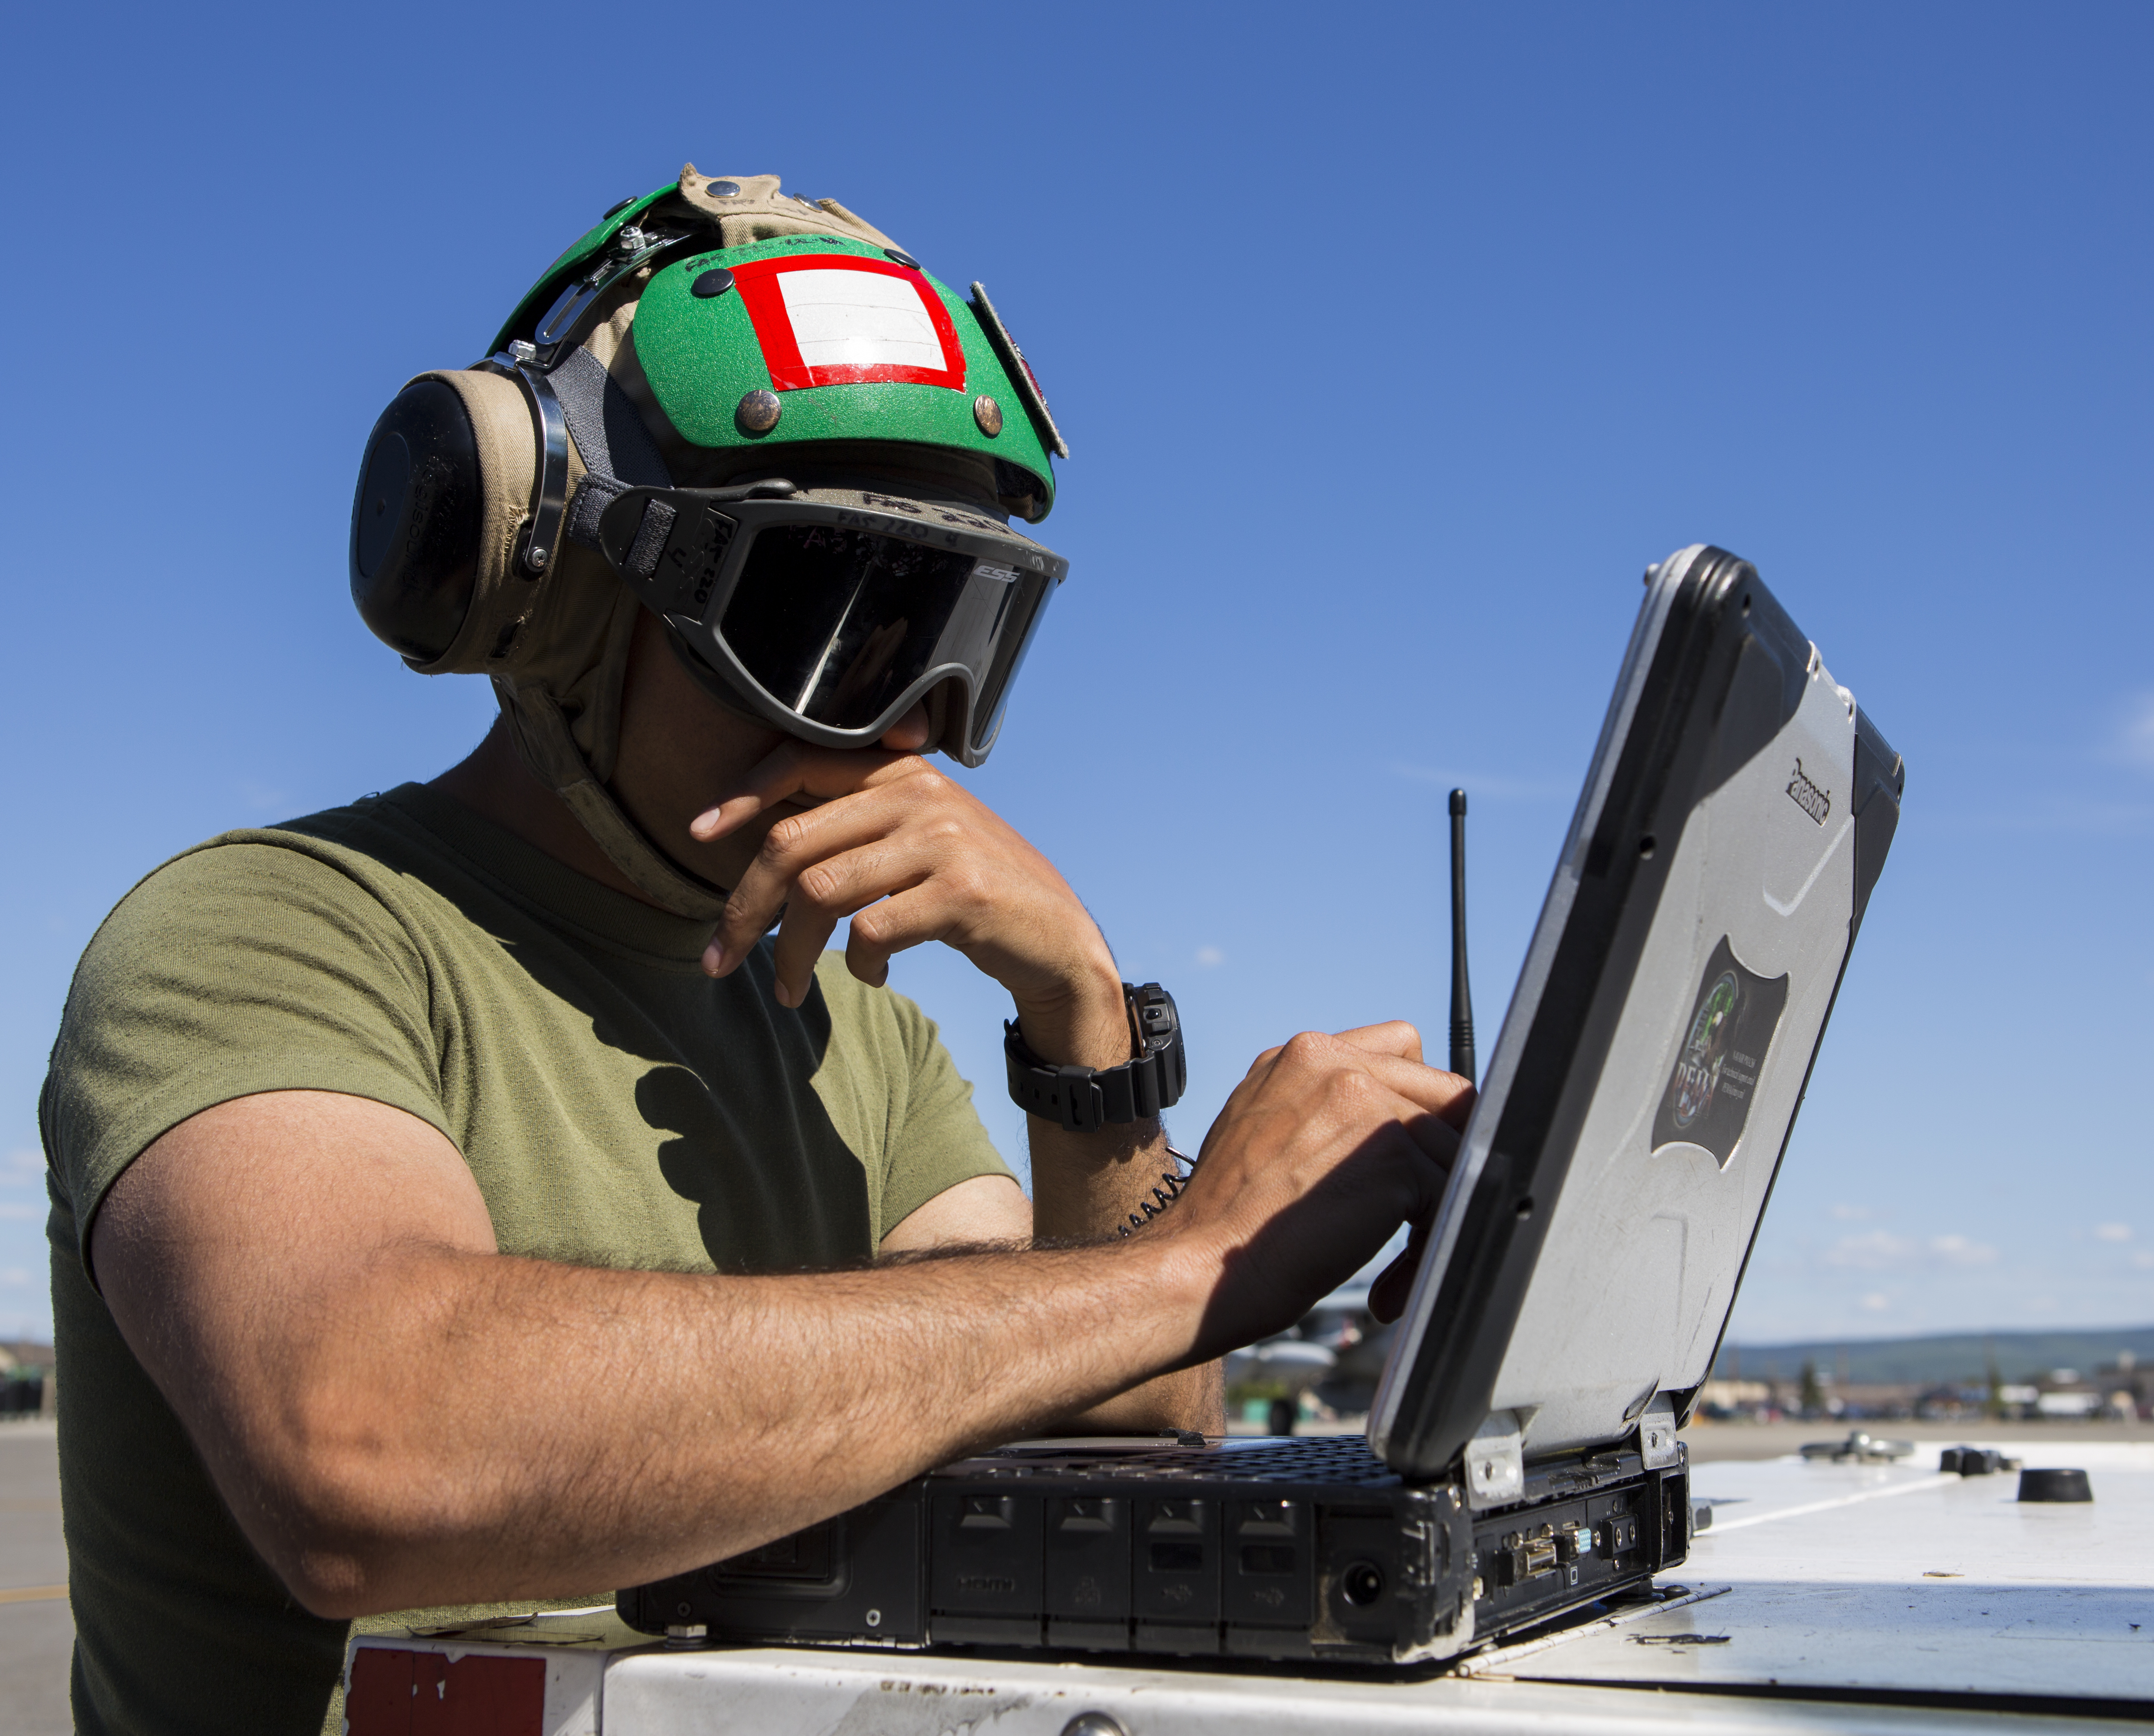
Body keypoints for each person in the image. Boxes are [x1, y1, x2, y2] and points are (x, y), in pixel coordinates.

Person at [40, 169, 1471, 1735]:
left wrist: (1082, 1026)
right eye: (836, 620)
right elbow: (369, 1448)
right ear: (559, 577)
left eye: (962, 634)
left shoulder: (858, 1028)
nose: (916, 728)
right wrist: (1195, 1258)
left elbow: (1115, 1426)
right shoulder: (274, 931)